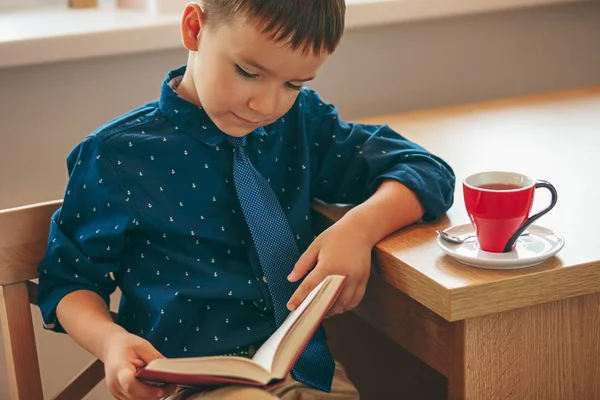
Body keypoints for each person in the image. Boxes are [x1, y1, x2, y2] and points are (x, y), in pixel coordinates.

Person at [37, 1, 455, 399]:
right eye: (248, 72)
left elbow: (426, 170)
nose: (267, 104)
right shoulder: (115, 157)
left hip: (308, 375)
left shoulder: (301, 122)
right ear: (194, 29)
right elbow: (69, 282)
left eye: (293, 83)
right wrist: (111, 343)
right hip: (187, 386)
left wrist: (360, 229)